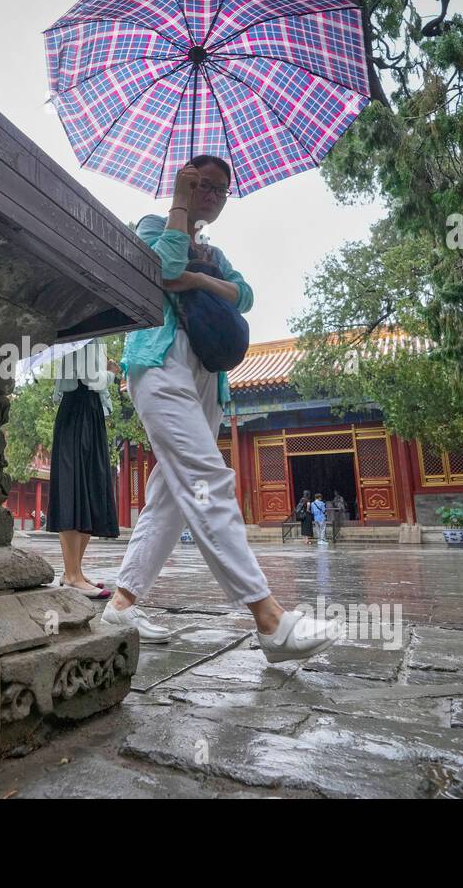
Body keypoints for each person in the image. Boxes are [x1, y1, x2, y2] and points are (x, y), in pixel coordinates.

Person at [102, 156, 340, 664]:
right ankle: (270, 621)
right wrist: (177, 208)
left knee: (170, 496)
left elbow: (244, 295)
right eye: (202, 184)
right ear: (183, 182)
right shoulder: (153, 224)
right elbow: (162, 269)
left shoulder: (215, 251)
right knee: (207, 477)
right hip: (160, 361)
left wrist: (200, 280)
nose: (210, 194)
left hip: (208, 375)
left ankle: (121, 604)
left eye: (219, 190)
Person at [46, 337, 118, 598]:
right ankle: (72, 575)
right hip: (79, 409)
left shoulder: (94, 338)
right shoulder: (82, 337)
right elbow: (92, 379)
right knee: (74, 489)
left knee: (90, 488)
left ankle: (73, 571)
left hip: (90, 411)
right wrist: (111, 373)